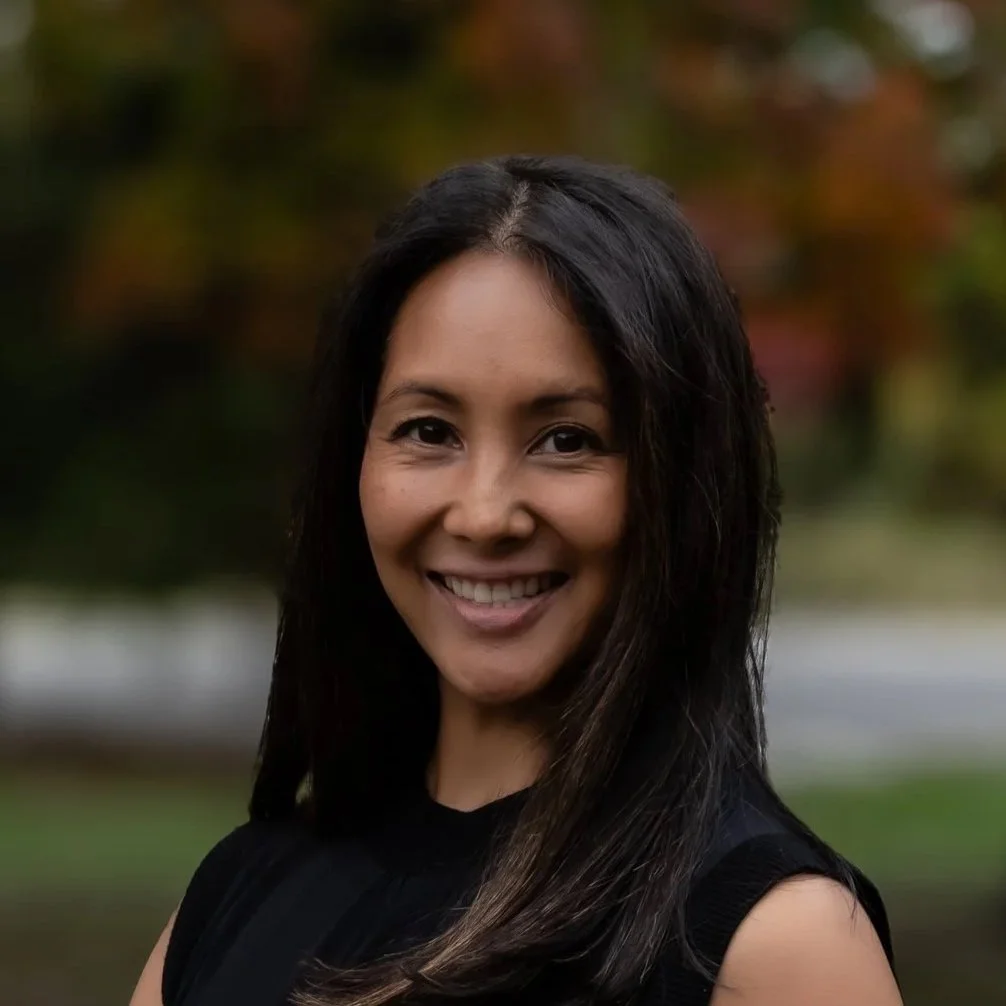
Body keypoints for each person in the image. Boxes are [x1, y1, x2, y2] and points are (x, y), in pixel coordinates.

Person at [130, 155, 903, 1006]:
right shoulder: (235, 898)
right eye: (428, 429)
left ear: (682, 485)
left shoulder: (773, 946)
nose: (485, 513)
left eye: (567, 439)